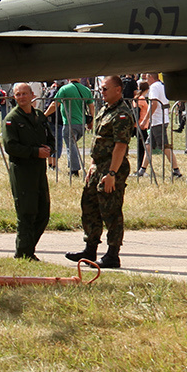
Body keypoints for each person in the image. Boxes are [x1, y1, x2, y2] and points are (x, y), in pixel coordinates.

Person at [65, 75, 136, 269]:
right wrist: (91, 165)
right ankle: (90, 248)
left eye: (105, 89)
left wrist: (112, 174)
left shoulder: (122, 114)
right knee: (90, 206)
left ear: (118, 90)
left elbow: (120, 146)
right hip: (98, 166)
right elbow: (98, 140)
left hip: (112, 166)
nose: (101, 92)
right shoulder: (105, 110)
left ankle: (113, 254)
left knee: (111, 210)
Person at [2, 83, 54, 260]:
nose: (22, 97)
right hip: (22, 171)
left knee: (43, 212)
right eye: (18, 94)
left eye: (25, 93)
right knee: (26, 212)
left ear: (33, 95)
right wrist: (34, 152)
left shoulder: (39, 116)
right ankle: (23, 252)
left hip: (39, 170)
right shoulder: (12, 119)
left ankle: (28, 249)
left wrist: (49, 149)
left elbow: (50, 138)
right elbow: (11, 146)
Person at [45, 77, 93, 176]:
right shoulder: (86, 90)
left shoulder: (64, 89)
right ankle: (73, 167)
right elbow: (91, 106)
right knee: (73, 145)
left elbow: (55, 104)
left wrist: (44, 115)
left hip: (69, 123)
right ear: (79, 78)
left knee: (70, 146)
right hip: (81, 124)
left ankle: (74, 170)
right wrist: (91, 120)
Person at [145, 72, 182, 178]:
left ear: (151, 77)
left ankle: (176, 170)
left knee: (165, 147)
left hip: (157, 121)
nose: (146, 80)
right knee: (148, 145)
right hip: (162, 119)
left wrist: (145, 119)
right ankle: (142, 170)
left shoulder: (154, 87)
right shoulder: (162, 85)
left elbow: (154, 104)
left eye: (147, 77)